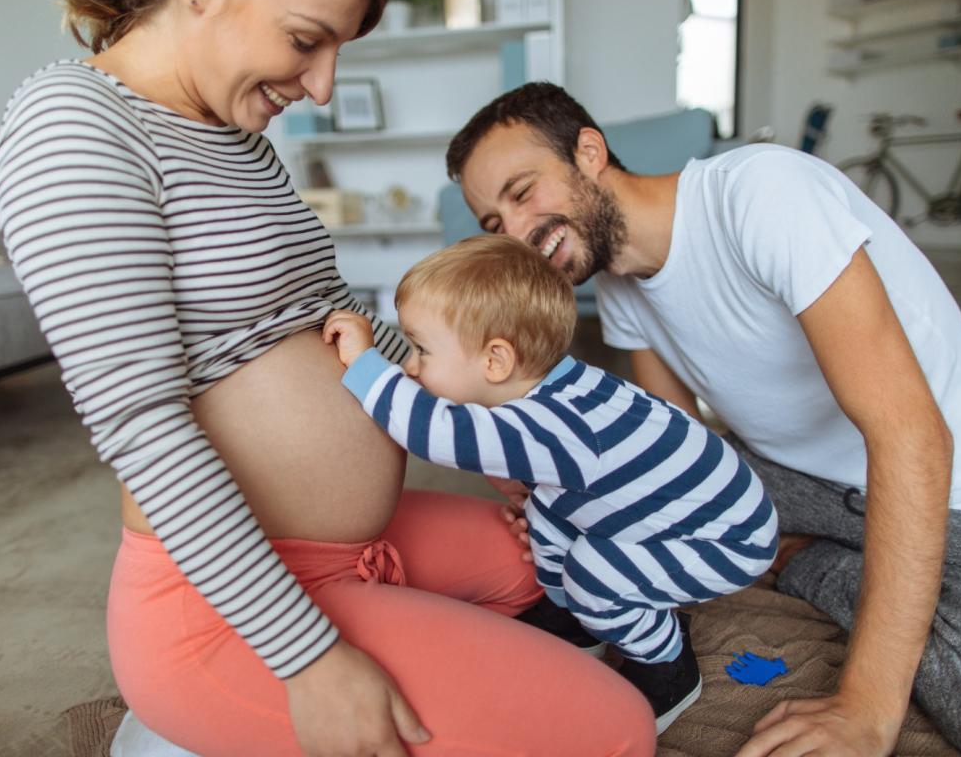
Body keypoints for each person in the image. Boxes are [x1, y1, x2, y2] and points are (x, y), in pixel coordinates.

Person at [0, 0, 657, 755]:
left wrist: (497, 433)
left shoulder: (238, 140)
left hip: (356, 547)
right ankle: (194, 715)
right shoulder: (72, 126)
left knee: (556, 565)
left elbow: (342, 321)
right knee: (613, 731)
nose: (322, 86)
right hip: (218, 600)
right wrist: (309, 660)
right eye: (307, 40)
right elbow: (142, 428)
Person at [443, 82, 961, 757]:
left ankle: (809, 563)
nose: (516, 234)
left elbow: (911, 435)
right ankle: (811, 556)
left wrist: (867, 707)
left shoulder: (762, 192)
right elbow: (665, 448)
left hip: (956, 491)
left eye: (522, 193)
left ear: (588, 151)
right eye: (493, 224)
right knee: (579, 487)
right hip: (783, 482)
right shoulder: (618, 285)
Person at [322, 235, 779, 734]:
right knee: (546, 511)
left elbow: (435, 433)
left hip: (726, 538)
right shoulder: (554, 382)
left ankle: (666, 663)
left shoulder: (555, 424)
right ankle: (575, 616)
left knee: (594, 573)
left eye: (421, 350)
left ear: (495, 361)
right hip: (679, 509)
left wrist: (366, 363)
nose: (410, 366)